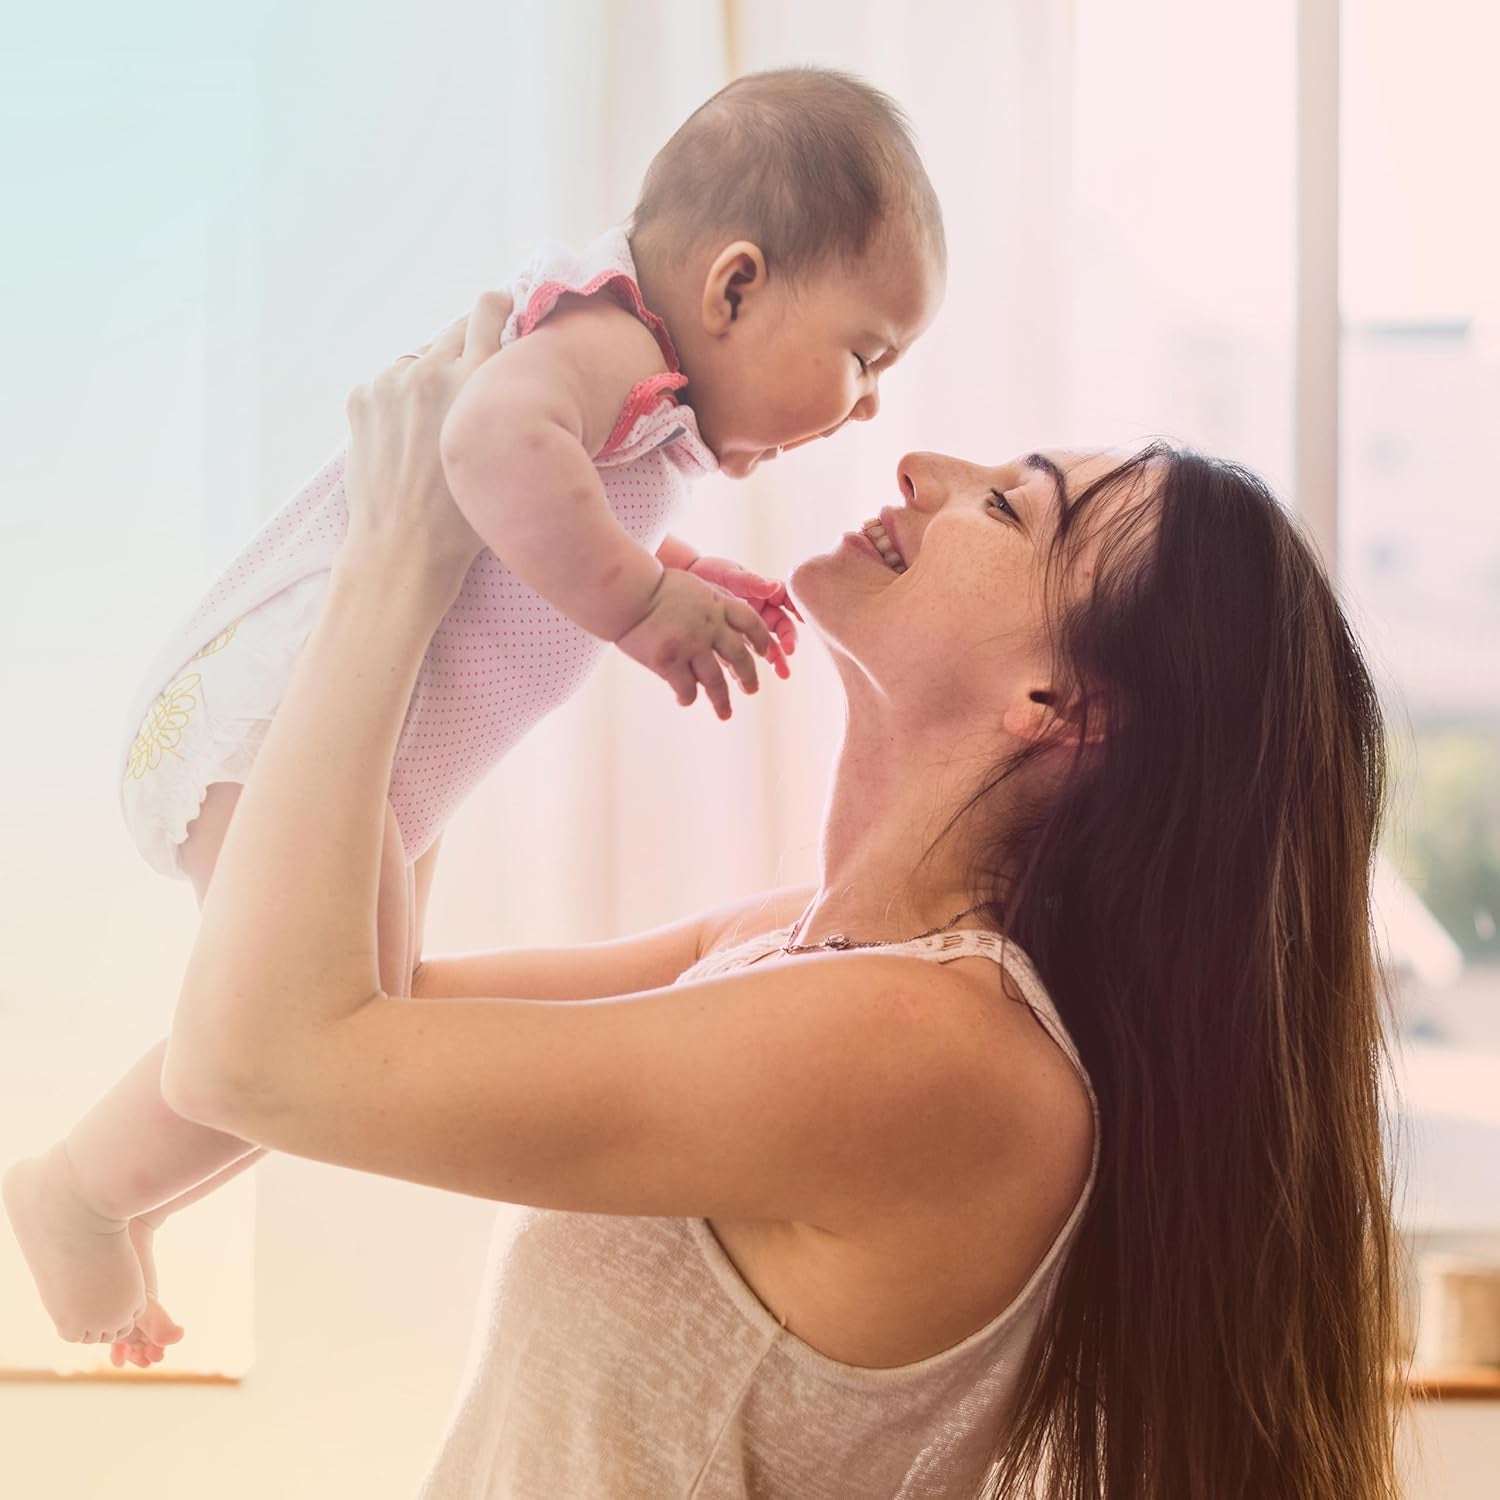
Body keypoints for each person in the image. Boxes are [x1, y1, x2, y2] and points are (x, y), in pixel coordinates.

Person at [154, 305, 1404, 1497]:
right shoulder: (790, 948)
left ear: (1057, 709)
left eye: (1011, 506)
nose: (923, 464)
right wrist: (474, 599)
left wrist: (395, 555)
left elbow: (262, 1060)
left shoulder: (932, 1050)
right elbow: (363, 992)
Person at [2, 65, 945, 1351]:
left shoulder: (641, 393)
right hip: (278, 708)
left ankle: (109, 1196)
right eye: (866, 355)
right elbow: (488, 442)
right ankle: (76, 1195)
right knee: (319, 1037)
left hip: (355, 743)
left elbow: (536, 525)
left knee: (344, 1034)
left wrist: (661, 580)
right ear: (734, 285)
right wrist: (634, 604)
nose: (874, 402)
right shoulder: (611, 342)